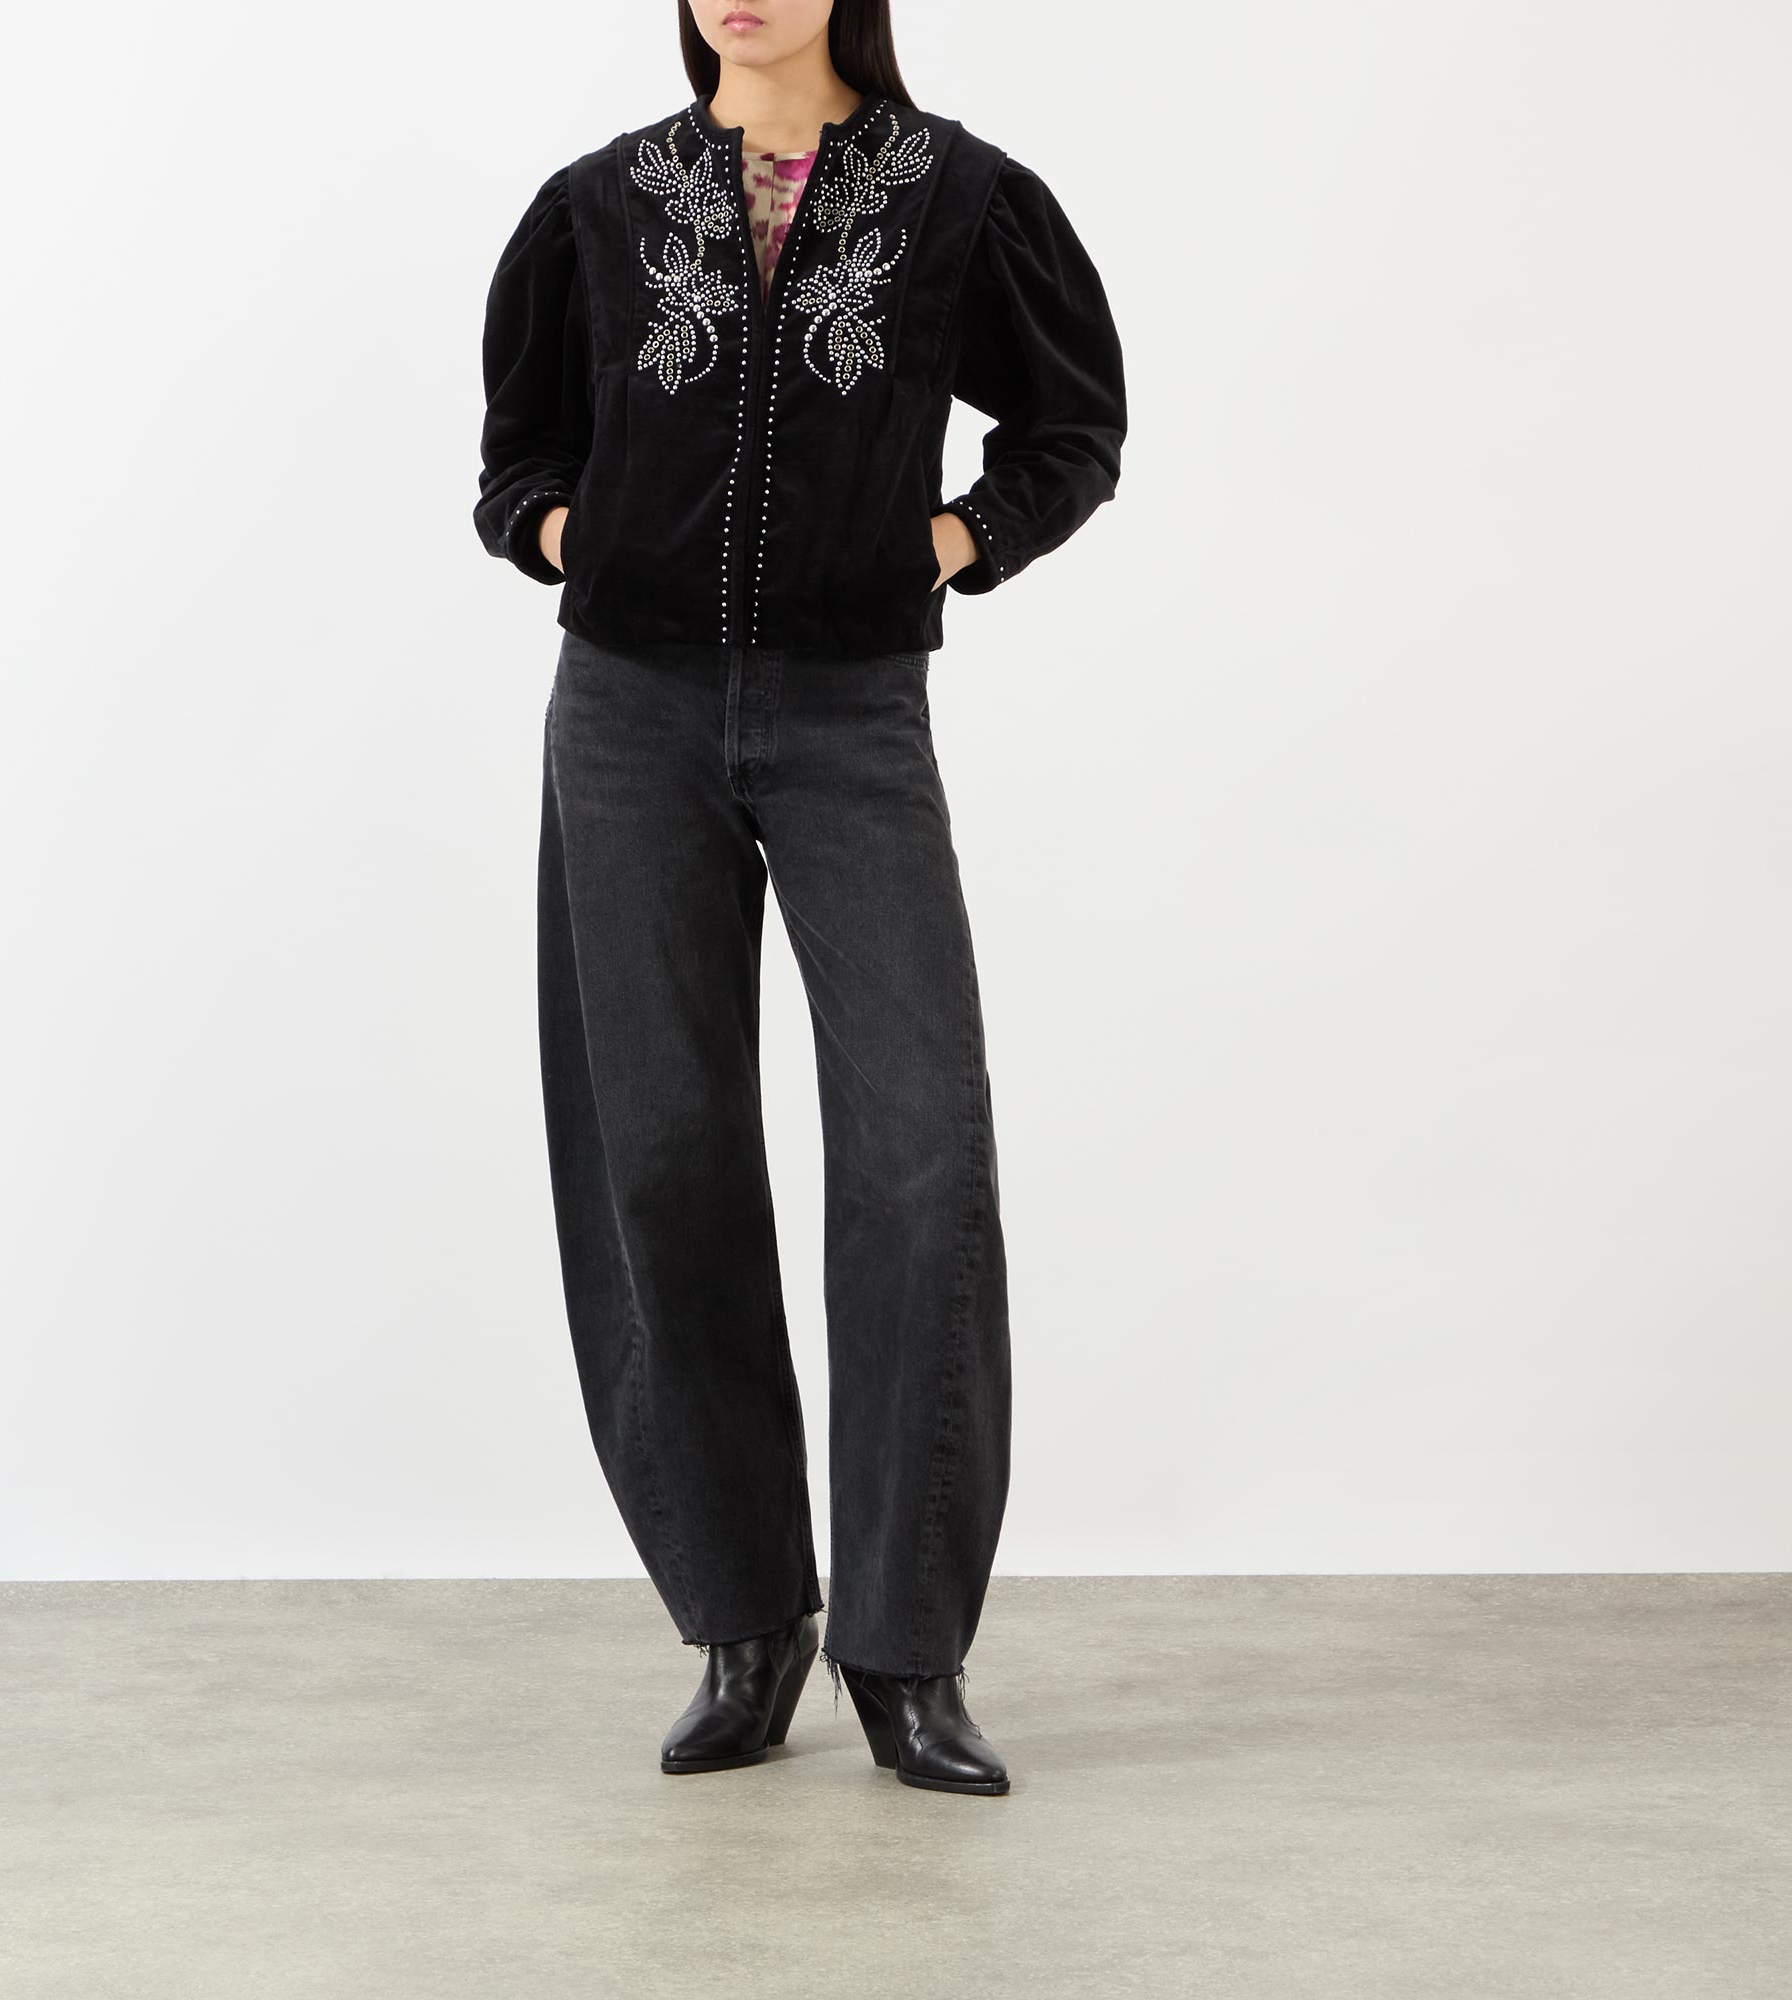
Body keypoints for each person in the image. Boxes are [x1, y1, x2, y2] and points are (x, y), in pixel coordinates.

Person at [473, 0, 1127, 1799]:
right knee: (659, 1152)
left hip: (852, 717)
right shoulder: (600, 204)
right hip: (628, 717)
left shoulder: (959, 196)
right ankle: (745, 1620)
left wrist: (948, 542)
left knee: (920, 1152)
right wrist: (574, 536)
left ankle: (906, 1653)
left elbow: (1073, 425)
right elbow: (517, 464)